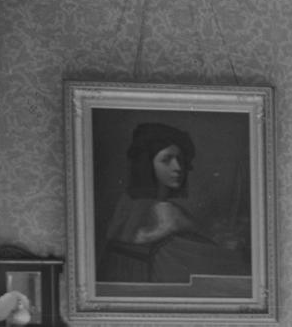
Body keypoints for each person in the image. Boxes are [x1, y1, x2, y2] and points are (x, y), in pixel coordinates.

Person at [101, 121, 249, 288]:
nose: (178, 167)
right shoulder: (153, 210)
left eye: (180, 159)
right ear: (147, 164)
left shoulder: (161, 208)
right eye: (166, 160)